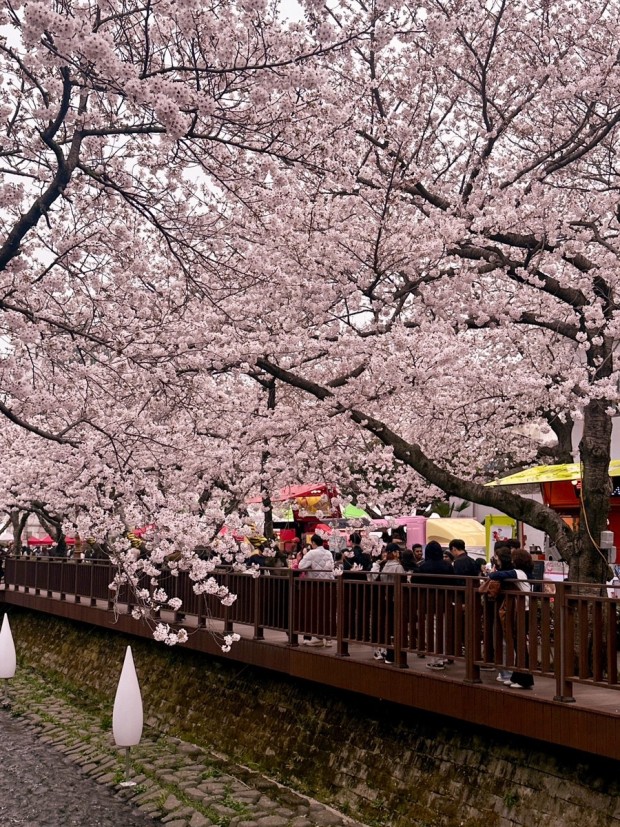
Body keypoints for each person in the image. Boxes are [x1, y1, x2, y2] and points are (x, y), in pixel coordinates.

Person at [488, 548, 535, 690]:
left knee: (519, 645)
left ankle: (524, 679)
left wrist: (492, 570)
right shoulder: (526, 573)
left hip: (520, 611)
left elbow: (495, 575)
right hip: (524, 610)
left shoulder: (518, 573)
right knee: (518, 644)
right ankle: (517, 676)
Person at [297, 534, 335, 647]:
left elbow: (301, 566)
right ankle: (328, 639)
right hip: (328, 585)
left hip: (315, 586)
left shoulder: (311, 553)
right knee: (327, 612)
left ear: (313, 543)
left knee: (314, 611)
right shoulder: (328, 553)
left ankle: (316, 636)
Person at [377, 543, 405, 665]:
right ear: (394, 553)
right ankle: (394, 655)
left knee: (388, 627)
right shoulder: (398, 567)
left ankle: (386, 653)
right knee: (397, 628)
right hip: (396, 600)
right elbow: (403, 582)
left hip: (386, 599)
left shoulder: (384, 566)